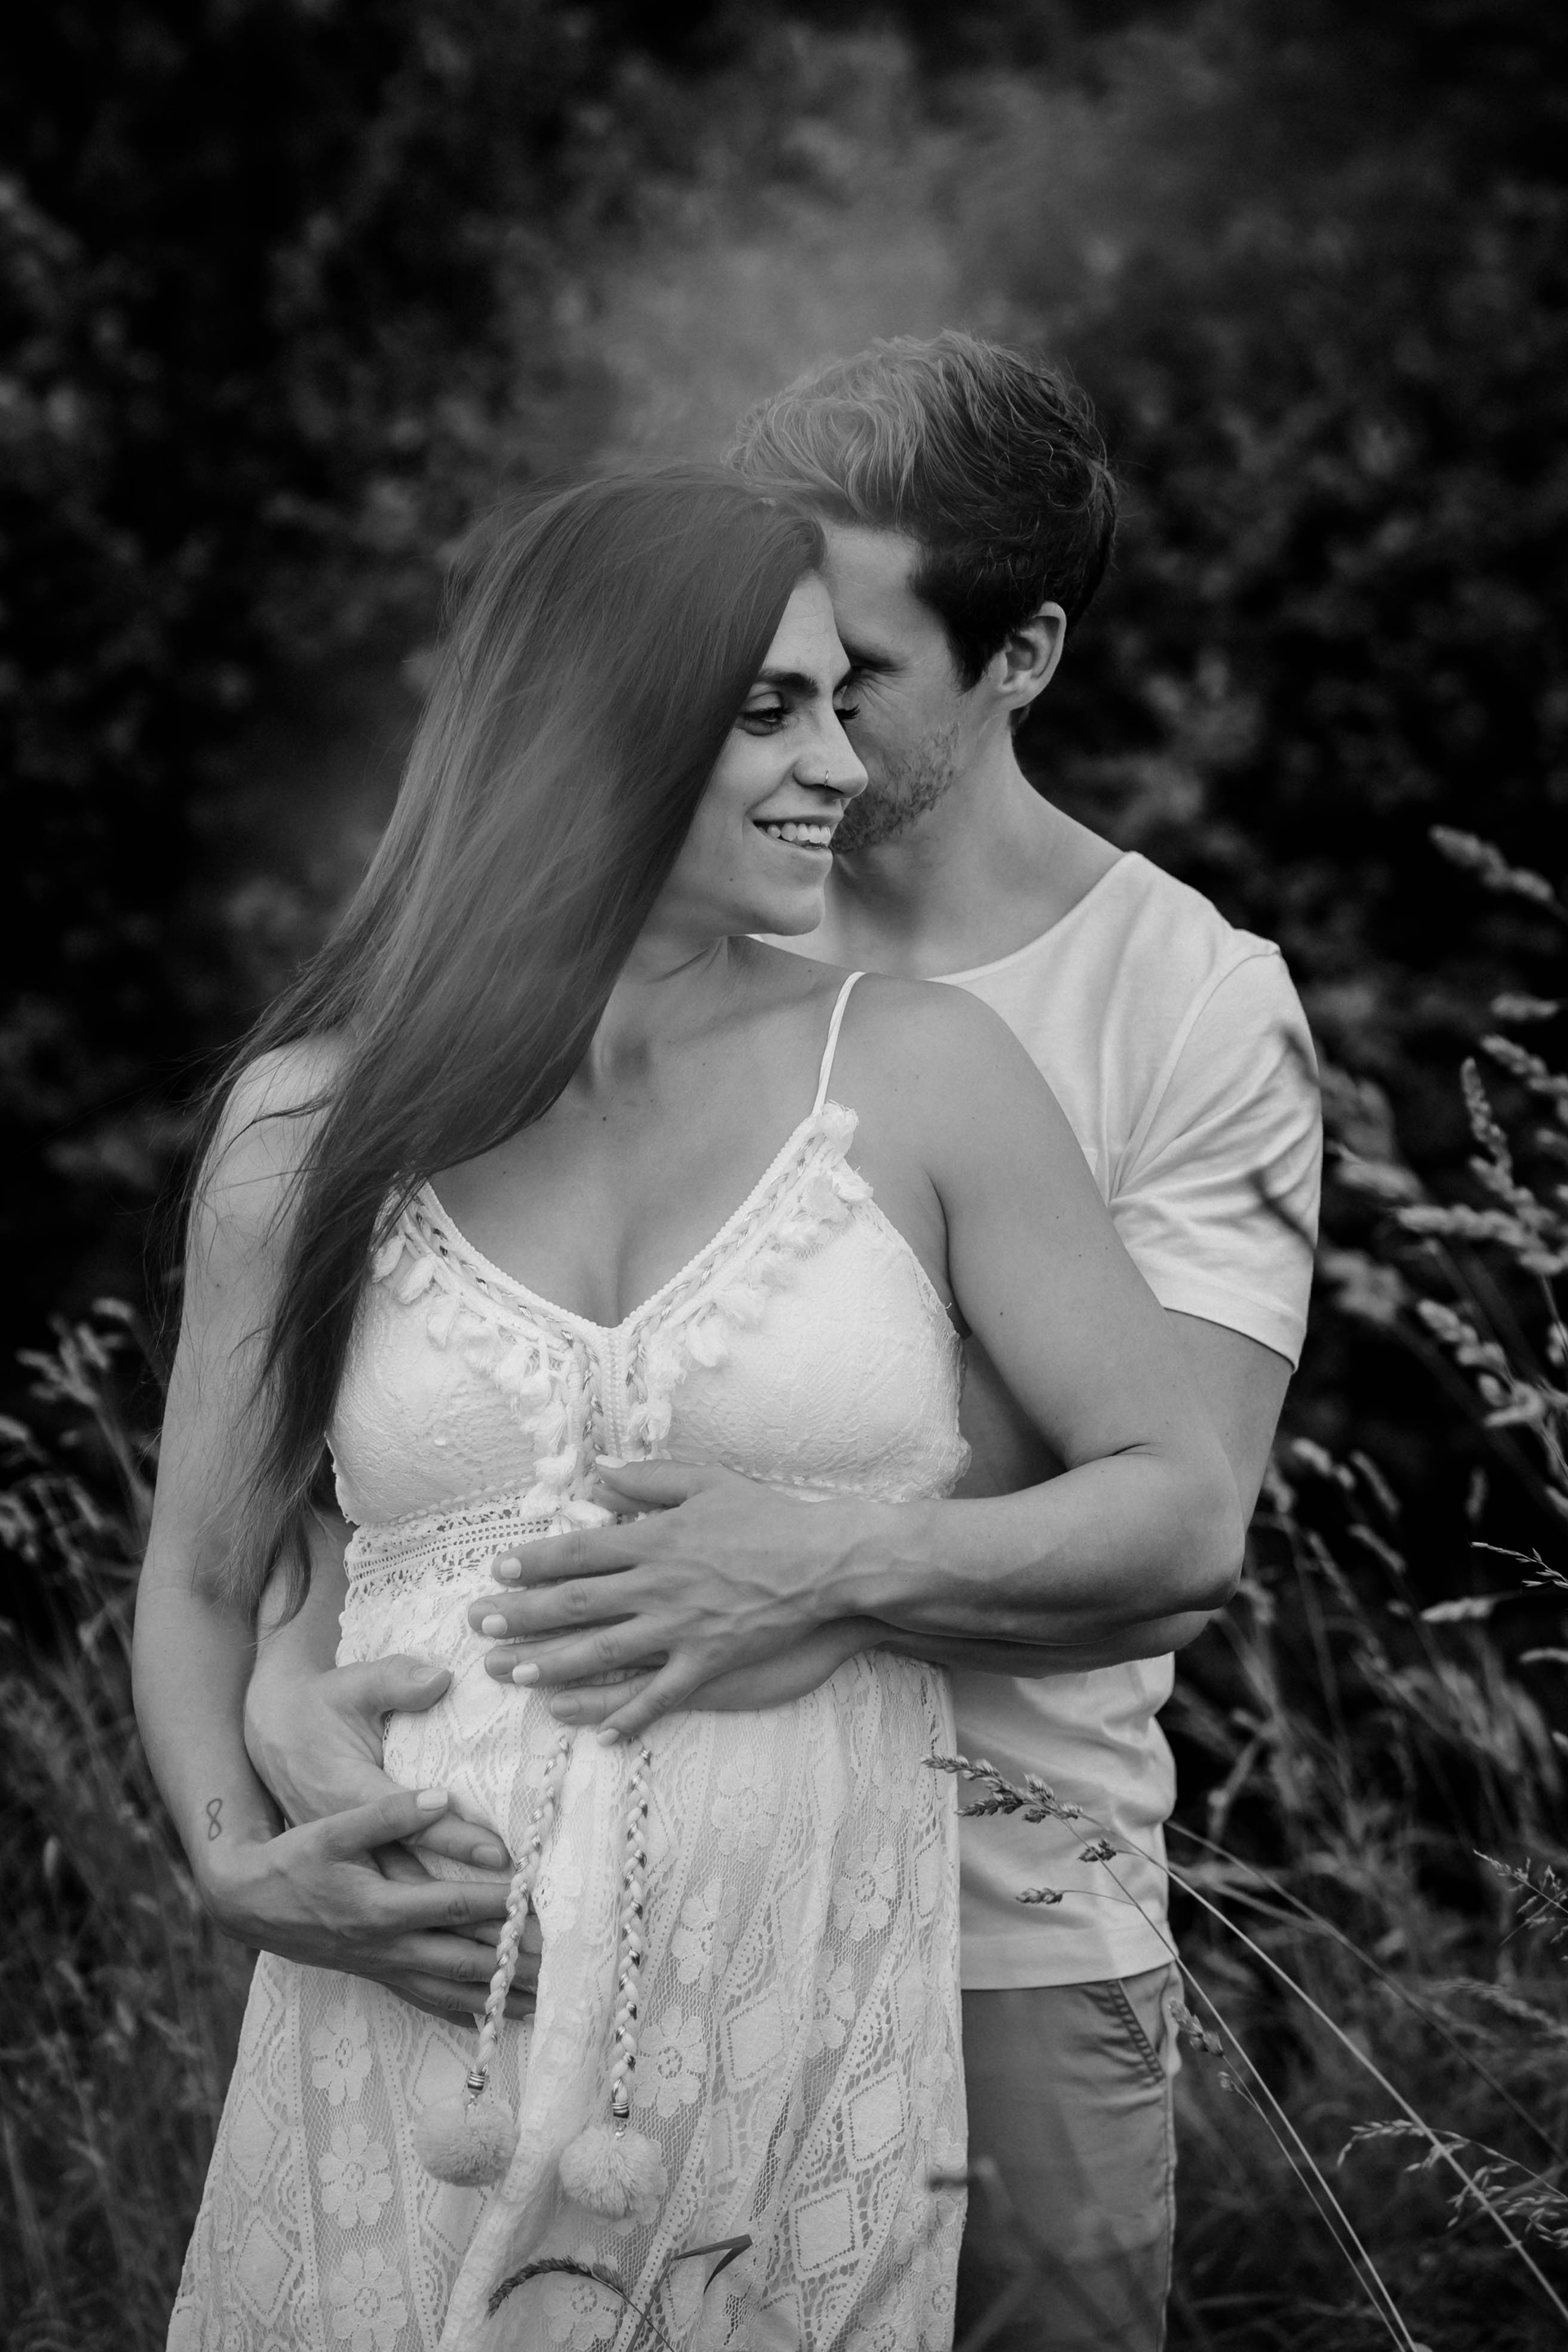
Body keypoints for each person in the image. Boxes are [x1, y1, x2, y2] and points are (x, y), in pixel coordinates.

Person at [135, 464, 1241, 2351]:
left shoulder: (922, 1071)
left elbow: (1182, 1507)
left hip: (793, 2014)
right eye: (770, 711)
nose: (841, 765)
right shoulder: (312, 1120)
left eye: (842, 703)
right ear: (600, 729)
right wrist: (242, 1866)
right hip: (403, 2037)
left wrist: (828, 1564)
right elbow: (201, 1579)